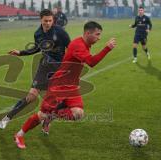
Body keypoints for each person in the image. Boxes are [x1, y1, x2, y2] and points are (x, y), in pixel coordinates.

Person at [14, 21, 116, 149]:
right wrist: (107, 48)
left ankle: (52, 116)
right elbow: (91, 62)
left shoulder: (85, 44)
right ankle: (19, 134)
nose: (99, 38)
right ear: (87, 33)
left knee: (77, 113)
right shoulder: (78, 45)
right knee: (42, 115)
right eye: (97, 34)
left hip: (71, 87)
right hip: (58, 86)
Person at [0, 9, 70, 129]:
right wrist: (20, 52)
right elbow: (37, 48)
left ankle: (47, 121)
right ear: (41, 20)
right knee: (31, 96)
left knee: (61, 101)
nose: (48, 23)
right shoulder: (38, 33)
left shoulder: (60, 31)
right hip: (45, 67)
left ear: (53, 20)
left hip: (59, 68)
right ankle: (7, 118)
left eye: (50, 21)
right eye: (45, 21)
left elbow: (71, 47)